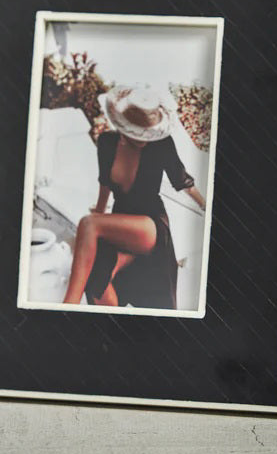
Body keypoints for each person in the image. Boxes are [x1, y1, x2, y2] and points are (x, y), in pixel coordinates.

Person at [62, 85, 206, 310]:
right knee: (98, 277)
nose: (146, 139)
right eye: (139, 132)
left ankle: (68, 307)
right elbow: (105, 183)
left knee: (88, 223)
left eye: (149, 131)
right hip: (121, 221)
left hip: (150, 226)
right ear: (124, 126)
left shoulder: (162, 145)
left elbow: (183, 182)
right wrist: (100, 212)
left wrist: (206, 205)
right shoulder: (107, 143)